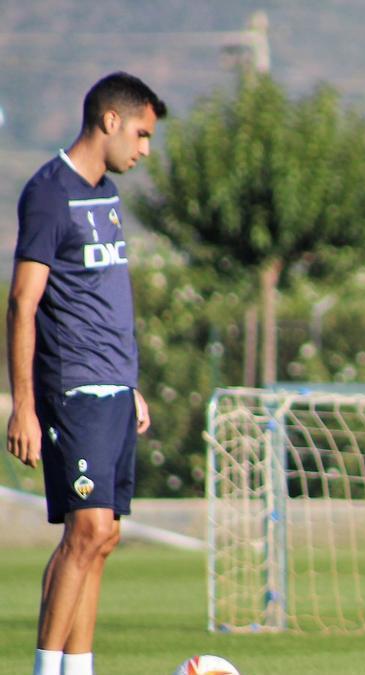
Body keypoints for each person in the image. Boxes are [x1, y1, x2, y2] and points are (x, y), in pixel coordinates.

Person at [8, 72, 165, 675]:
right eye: (142, 134)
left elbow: (102, 296)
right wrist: (24, 404)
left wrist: (131, 384)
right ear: (109, 121)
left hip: (114, 388)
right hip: (71, 388)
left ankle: (80, 668)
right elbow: (24, 302)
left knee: (104, 537)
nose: (145, 149)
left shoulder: (106, 194)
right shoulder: (49, 193)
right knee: (87, 528)